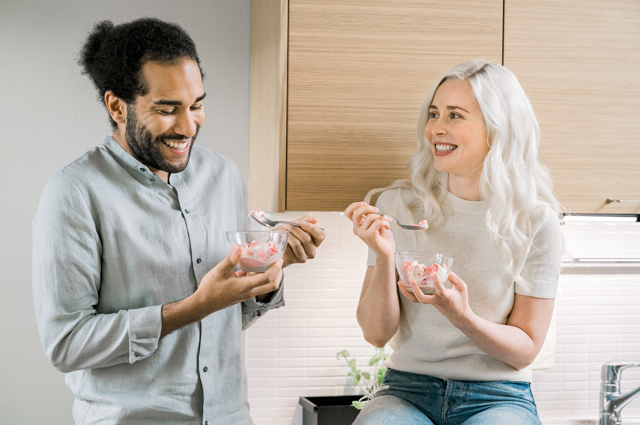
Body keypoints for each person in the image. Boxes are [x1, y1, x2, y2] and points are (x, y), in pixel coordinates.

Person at [32, 18, 324, 425]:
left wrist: (268, 272)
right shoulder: (74, 192)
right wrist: (193, 307)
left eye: (197, 105)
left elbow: (224, 315)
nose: (188, 127)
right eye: (167, 110)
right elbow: (66, 344)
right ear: (117, 106)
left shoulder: (224, 176)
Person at [344, 59, 563, 424]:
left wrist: (461, 316)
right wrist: (384, 258)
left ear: (497, 128)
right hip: (407, 389)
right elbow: (375, 334)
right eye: (434, 114)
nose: (435, 130)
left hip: (498, 396)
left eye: (454, 116)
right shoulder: (398, 206)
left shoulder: (535, 222)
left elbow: (525, 351)